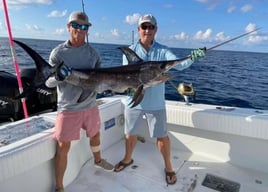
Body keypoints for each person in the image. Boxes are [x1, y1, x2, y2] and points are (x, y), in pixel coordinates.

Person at [114, 14, 206, 185]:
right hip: (133, 100)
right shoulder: (130, 51)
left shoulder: (163, 51)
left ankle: (169, 167)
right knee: (129, 134)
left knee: (162, 136)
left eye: (151, 27)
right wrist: (127, 88)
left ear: (155, 30)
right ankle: (127, 159)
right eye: (144, 27)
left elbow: (178, 64)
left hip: (155, 102)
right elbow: (124, 75)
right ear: (139, 29)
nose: (147, 30)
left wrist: (192, 57)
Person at [45, 11, 114, 192]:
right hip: (68, 108)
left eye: (84, 27)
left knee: (96, 134)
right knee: (63, 145)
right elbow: (47, 82)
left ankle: (98, 160)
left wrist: (114, 86)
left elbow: (102, 80)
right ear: (68, 27)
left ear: (88, 30)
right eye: (75, 25)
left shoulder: (93, 54)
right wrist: (58, 77)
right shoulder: (58, 53)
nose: (80, 30)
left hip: (90, 104)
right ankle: (59, 187)